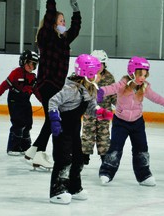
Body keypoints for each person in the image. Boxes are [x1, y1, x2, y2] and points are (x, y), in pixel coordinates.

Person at [97, 56, 164, 186]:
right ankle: (106, 172)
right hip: (120, 122)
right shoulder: (123, 84)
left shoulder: (144, 87)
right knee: (115, 149)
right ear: (132, 72)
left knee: (141, 149)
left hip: (137, 122)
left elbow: (156, 97)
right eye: (140, 74)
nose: (143, 78)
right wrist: (101, 91)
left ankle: (144, 175)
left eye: (145, 75)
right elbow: (112, 88)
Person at [48, 54, 113, 204]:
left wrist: (101, 113)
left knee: (78, 158)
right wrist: (54, 120)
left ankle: (74, 187)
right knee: (64, 159)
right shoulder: (71, 89)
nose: (99, 76)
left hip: (74, 129)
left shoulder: (88, 89)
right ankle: (57, 190)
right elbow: (53, 101)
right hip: (62, 129)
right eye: (96, 73)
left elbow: (90, 108)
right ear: (88, 74)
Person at [24, 0, 81, 169]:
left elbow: (75, 30)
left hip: (57, 85)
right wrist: (51, 3)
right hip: (46, 83)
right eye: (61, 20)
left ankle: (34, 150)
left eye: (64, 21)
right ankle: (39, 153)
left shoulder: (64, 40)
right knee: (53, 117)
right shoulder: (46, 36)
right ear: (53, 23)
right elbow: (49, 15)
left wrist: (76, 11)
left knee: (52, 118)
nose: (63, 23)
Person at [0, 50, 41, 156]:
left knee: (28, 123)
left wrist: (44, 101)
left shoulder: (33, 77)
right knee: (18, 123)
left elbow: (36, 91)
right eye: (30, 63)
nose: (31, 66)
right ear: (23, 62)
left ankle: (25, 146)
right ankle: (13, 147)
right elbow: (4, 85)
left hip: (25, 101)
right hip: (14, 100)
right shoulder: (16, 73)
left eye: (34, 64)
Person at [81, 50, 117, 165]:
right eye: (96, 65)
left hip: (104, 113)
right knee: (87, 134)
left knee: (104, 136)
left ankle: (104, 158)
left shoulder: (109, 77)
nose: (99, 67)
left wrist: (120, 105)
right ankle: (84, 157)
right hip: (89, 112)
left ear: (105, 64)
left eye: (101, 64)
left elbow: (114, 94)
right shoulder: (87, 77)